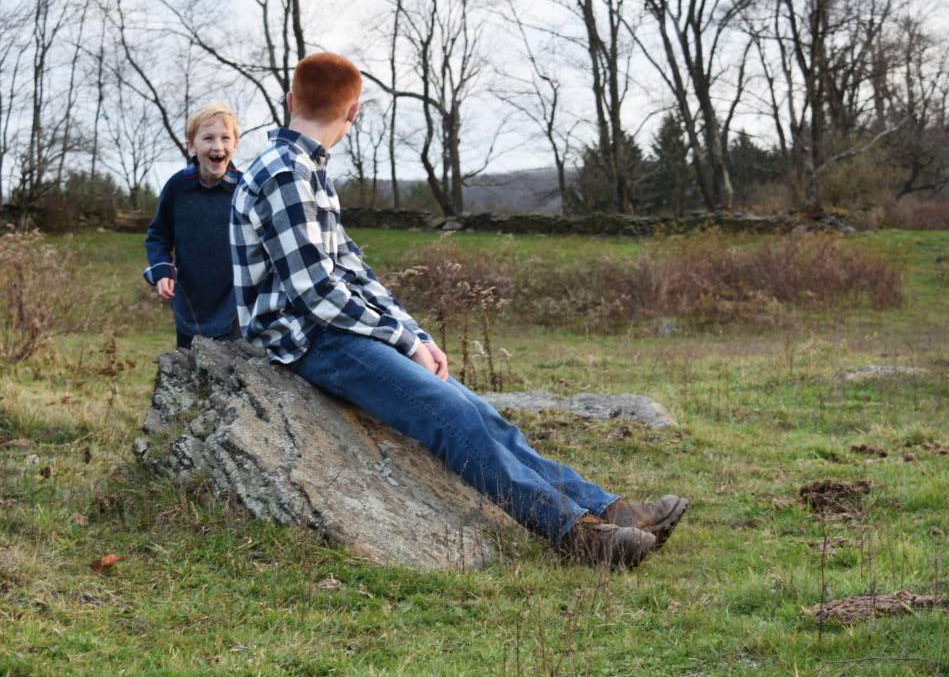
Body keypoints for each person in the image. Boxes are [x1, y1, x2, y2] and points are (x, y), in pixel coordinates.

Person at [230, 52, 688, 569]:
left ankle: (610, 511)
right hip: (310, 341)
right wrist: (402, 342)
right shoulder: (284, 173)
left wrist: (416, 336)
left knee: (480, 414)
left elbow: (353, 272)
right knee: (447, 415)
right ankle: (578, 537)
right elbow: (317, 293)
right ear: (353, 112)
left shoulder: (308, 170)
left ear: (290, 100)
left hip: (339, 330)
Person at [144, 104, 242, 350]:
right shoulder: (177, 188)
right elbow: (158, 235)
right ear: (191, 145)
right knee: (191, 369)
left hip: (235, 301)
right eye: (208, 138)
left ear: (235, 144)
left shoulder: (245, 189)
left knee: (231, 369)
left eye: (225, 138)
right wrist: (163, 271)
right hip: (189, 299)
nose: (217, 146)